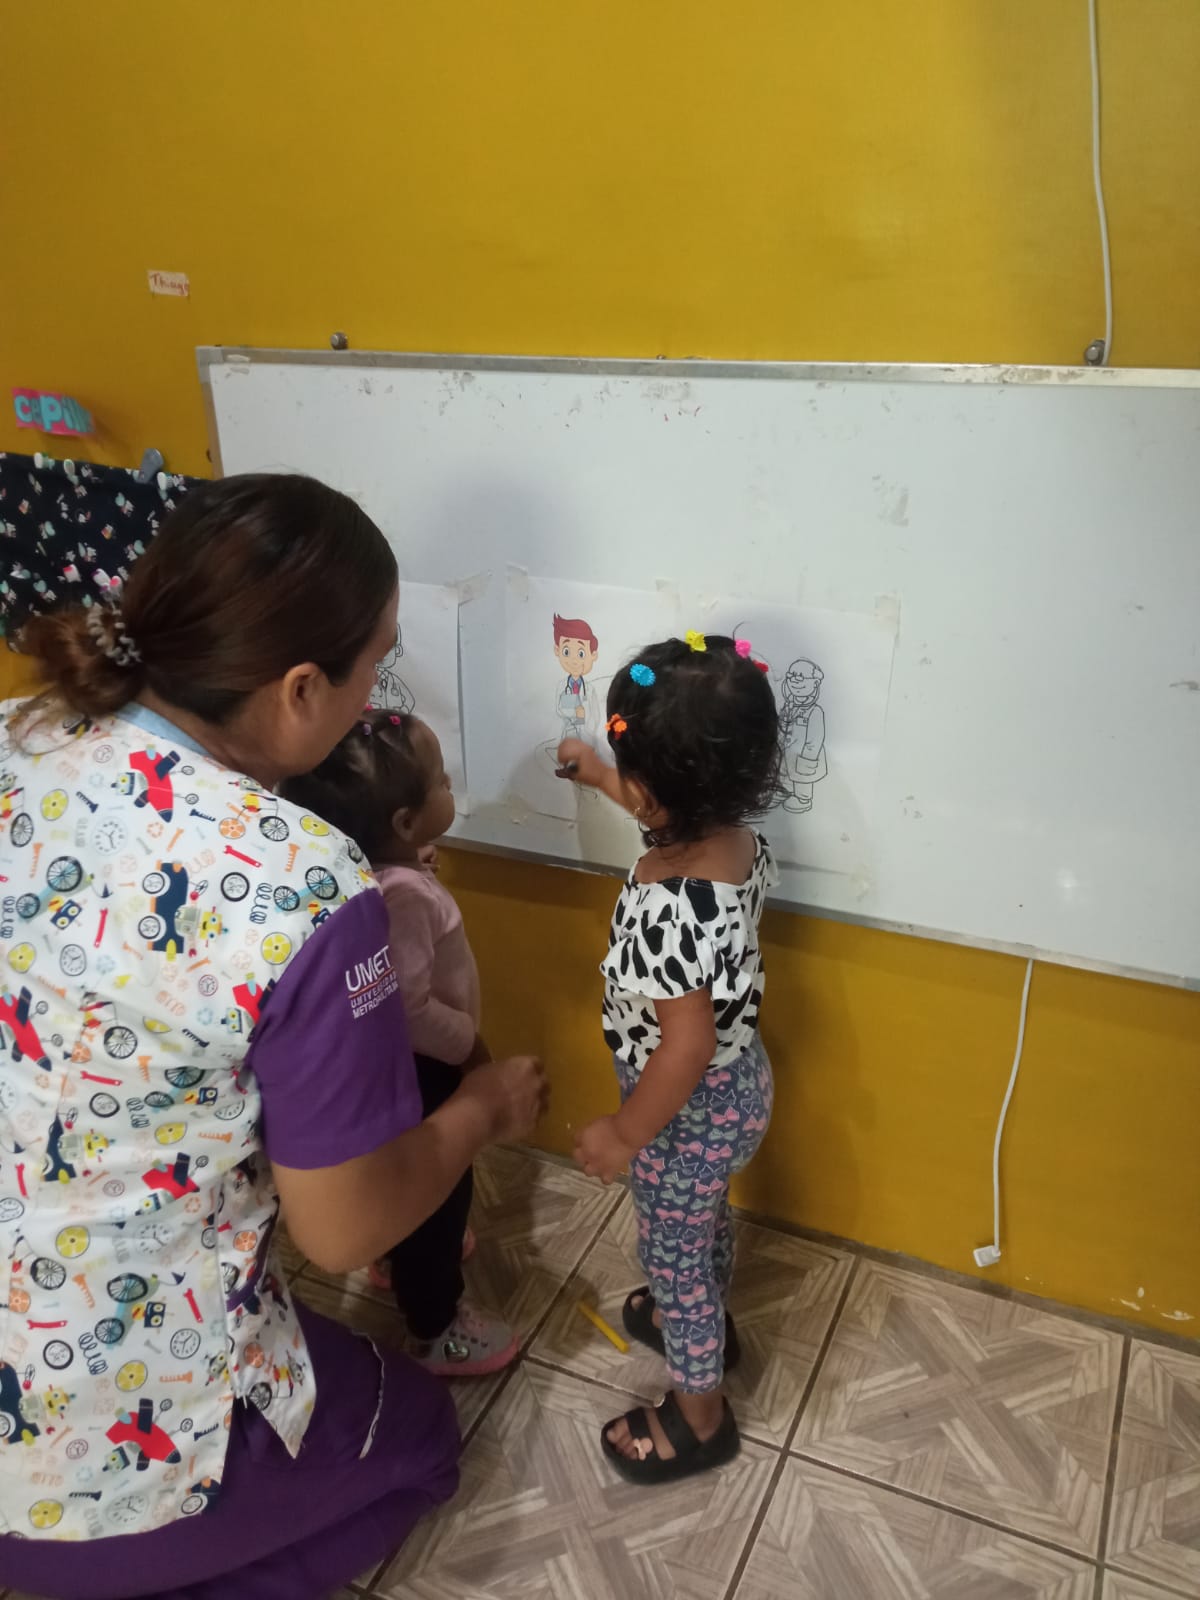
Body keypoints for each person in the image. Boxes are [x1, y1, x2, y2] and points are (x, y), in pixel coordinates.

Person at [0, 472, 547, 1600]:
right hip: (93, 1442)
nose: (378, 692)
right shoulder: (303, 884)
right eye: (376, 664)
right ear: (301, 690)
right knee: (418, 1441)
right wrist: (479, 1112)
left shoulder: (23, 729)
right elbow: (342, 1232)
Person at [557, 632, 783, 1484]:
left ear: (655, 788)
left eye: (628, 770)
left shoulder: (665, 907)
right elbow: (668, 809)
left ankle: (700, 1418)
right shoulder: (736, 844)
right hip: (738, 1089)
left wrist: (624, 1132)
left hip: (681, 1113)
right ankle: (707, 1322)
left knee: (674, 1260)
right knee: (703, 1221)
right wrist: (602, 778)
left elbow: (683, 1045)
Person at [283, 711, 518, 1378]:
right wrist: (470, 1048)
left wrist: (404, 864)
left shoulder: (366, 872)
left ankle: (393, 1250)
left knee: (405, 1170)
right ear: (407, 821)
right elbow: (410, 1007)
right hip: (429, 1068)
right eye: (442, 780)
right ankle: (435, 1326)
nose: (451, 786)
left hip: (395, 1067)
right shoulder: (406, 897)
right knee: (440, 1191)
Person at [553, 612, 599, 741]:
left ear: (593, 655)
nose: (574, 661)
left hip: (587, 738)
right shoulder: (562, 686)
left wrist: (584, 721)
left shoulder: (589, 689)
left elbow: (595, 716)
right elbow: (559, 710)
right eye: (566, 652)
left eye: (581, 654)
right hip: (567, 736)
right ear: (557, 650)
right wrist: (576, 712)